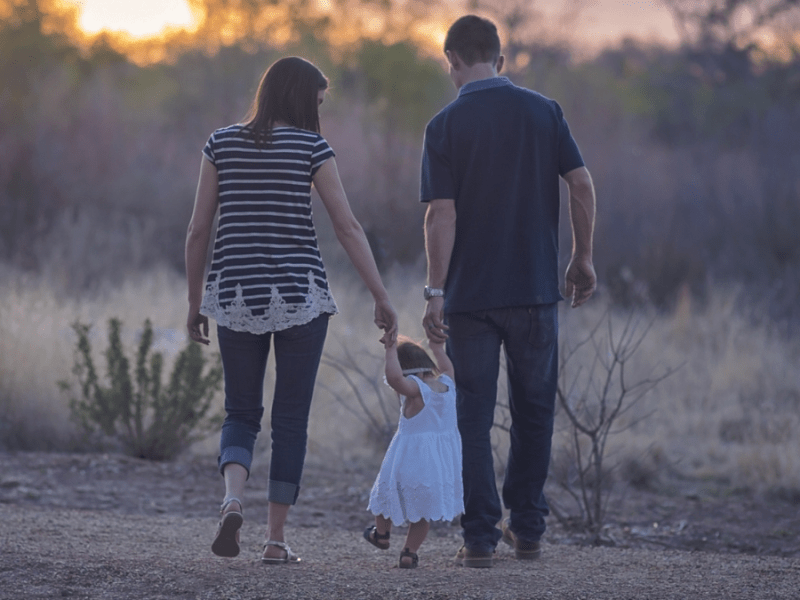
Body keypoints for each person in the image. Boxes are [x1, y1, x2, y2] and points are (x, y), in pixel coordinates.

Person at [185, 56, 397, 563]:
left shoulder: (220, 143)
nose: (320, 111)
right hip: (301, 296)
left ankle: (233, 498)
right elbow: (347, 228)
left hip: (235, 295)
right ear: (303, 98)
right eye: (318, 101)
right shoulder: (311, 147)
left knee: (240, 411)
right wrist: (381, 295)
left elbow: (197, 230)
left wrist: (195, 302)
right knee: (291, 421)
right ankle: (275, 541)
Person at [420, 15, 597, 568]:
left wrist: (434, 290)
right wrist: (582, 256)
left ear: (450, 60)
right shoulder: (544, 112)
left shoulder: (444, 125)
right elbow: (582, 183)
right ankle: (528, 528)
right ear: (501, 58)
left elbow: (439, 216)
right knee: (535, 411)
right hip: (536, 290)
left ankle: (478, 538)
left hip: (470, 298)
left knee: (472, 417)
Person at [363, 335, 464, 569]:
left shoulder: (416, 390)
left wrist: (390, 351)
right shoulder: (448, 385)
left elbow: (394, 378)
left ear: (410, 372)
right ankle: (409, 553)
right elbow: (447, 366)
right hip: (437, 465)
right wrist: (437, 347)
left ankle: (381, 534)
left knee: (385, 495)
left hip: (408, 460)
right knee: (422, 513)